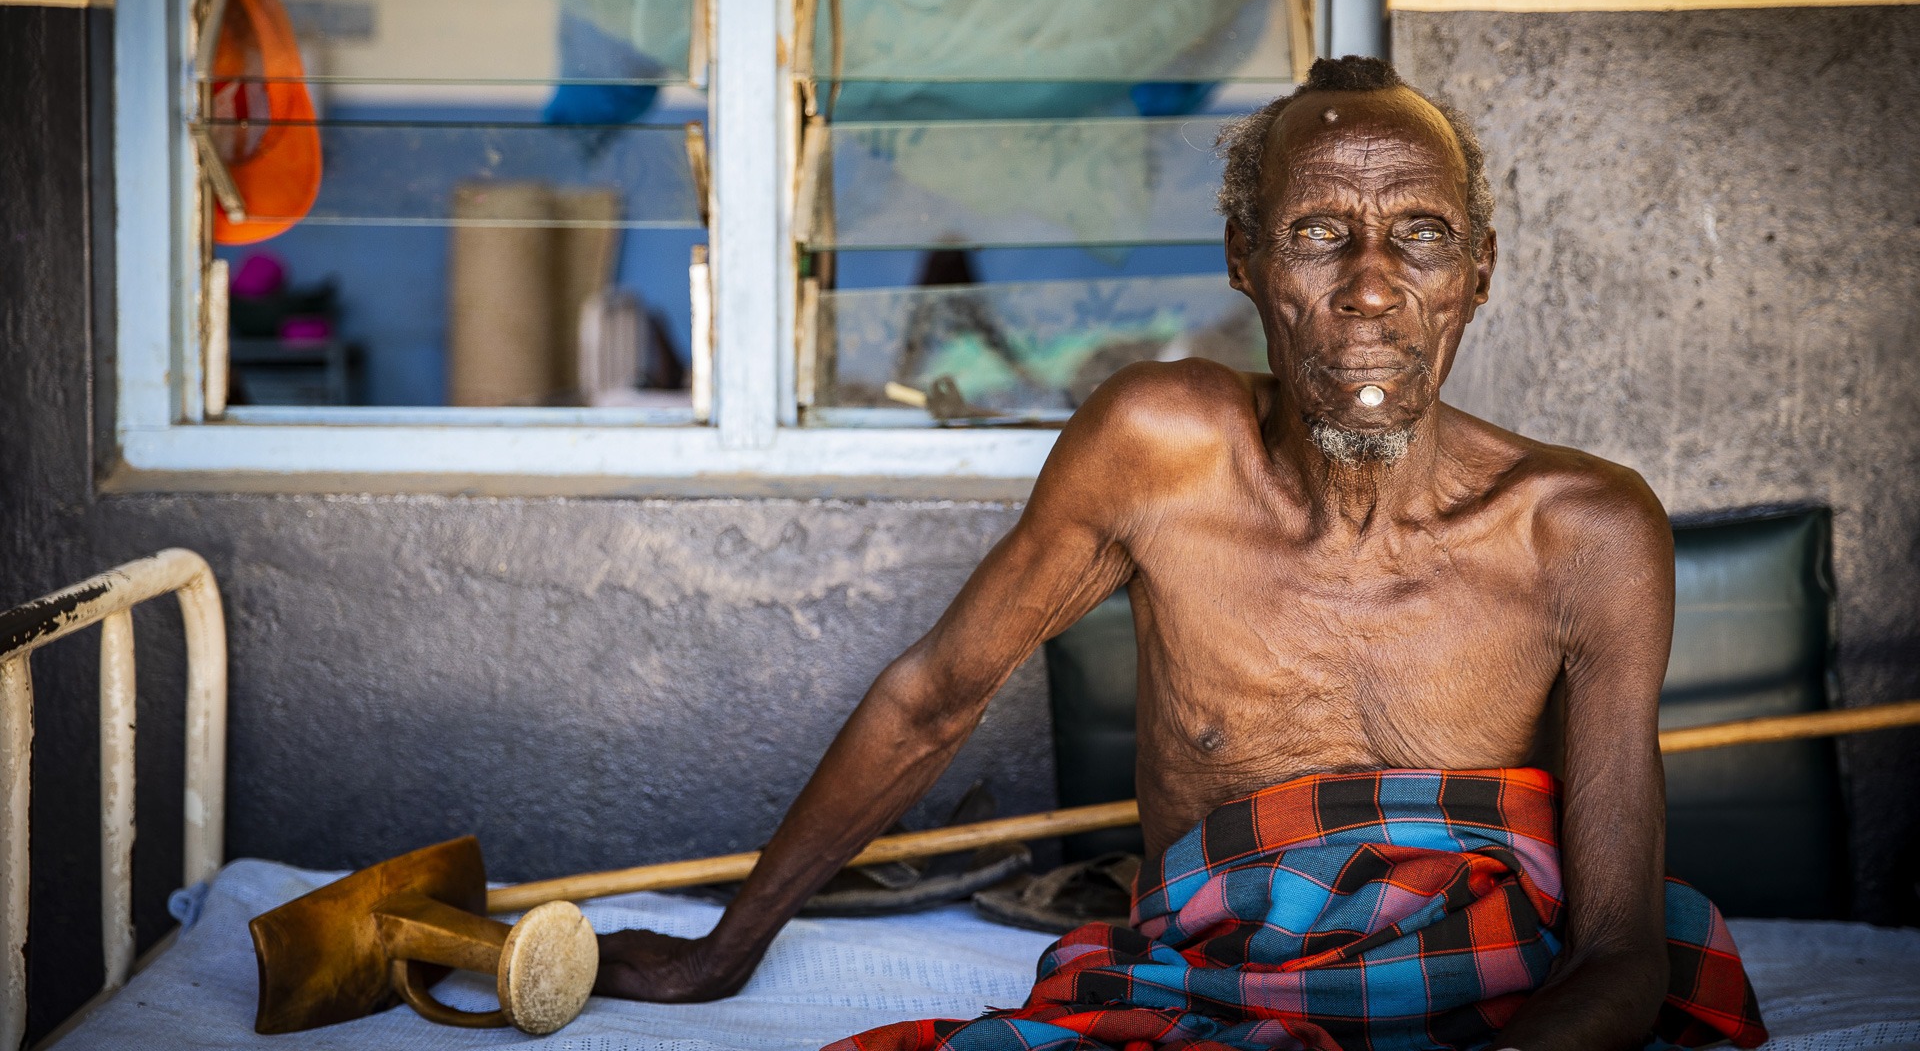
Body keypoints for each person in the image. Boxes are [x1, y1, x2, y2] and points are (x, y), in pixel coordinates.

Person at [594, 57, 1766, 1050]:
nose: (1371, 286)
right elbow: (932, 696)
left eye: (1421, 236)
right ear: (1244, 259)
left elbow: (1616, 954)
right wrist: (720, 955)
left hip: (1492, 999)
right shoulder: (1162, 450)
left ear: (1479, 272)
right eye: (1318, 235)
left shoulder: (1587, 531)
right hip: (1207, 982)